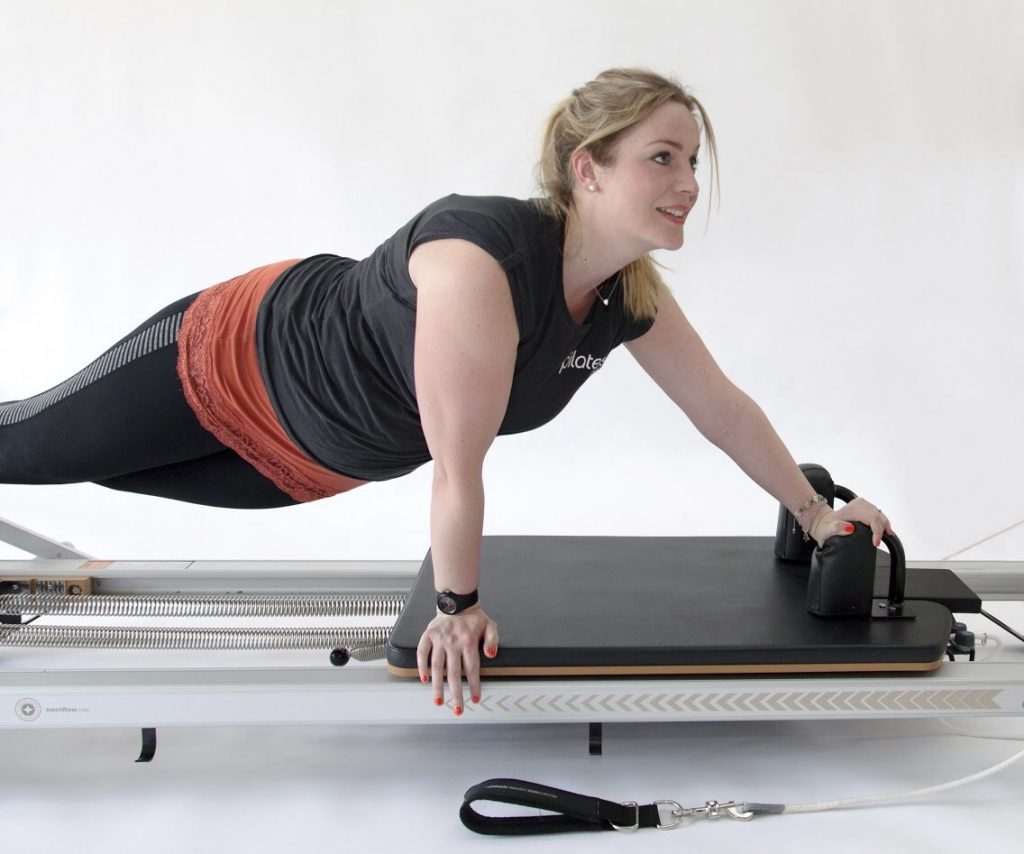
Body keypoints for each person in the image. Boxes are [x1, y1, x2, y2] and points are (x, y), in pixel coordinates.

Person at [0, 68, 893, 715]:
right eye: (663, 158)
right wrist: (457, 612)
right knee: (26, 452)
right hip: (226, 362)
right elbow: (457, 467)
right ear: (588, 168)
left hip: (314, 460)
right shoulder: (483, 261)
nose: (689, 184)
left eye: (694, 161)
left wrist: (818, 511)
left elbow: (723, 411)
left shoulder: (629, 297)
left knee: (89, 474)